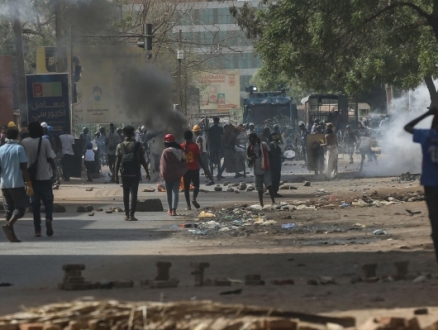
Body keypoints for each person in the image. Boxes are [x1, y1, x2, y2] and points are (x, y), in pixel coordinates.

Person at [404, 107, 438, 264]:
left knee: (434, 220)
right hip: (431, 183)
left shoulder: (426, 136)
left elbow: (407, 127)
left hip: (430, 184)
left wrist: (427, 113)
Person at [22, 122, 57, 237]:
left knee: (35, 205)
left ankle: (37, 230)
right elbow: (49, 158)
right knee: (48, 201)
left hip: (31, 179)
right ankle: (48, 219)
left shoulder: (24, 142)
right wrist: (55, 171)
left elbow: (22, 161)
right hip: (45, 177)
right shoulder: (45, 141)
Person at [0, 127, 32, 242]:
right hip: (16, 183)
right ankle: (9, 225)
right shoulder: (19, 148)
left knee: (9, 209)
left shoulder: (1, 149)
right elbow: (23, 167)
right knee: (20, 208)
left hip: (4, 183)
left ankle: (11, 235)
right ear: (17, 136)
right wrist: (28, 182)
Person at [114, 126, 150, 221]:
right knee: (134, 194)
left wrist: (115, 175)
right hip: (135, 173)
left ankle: (126, 214)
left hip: (124, 174)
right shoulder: (138, 145)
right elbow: (143, 160)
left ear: (124, 134)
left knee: (125, 194)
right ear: (133, 133)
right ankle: (132, 215)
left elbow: (117, 162)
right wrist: (147, 172)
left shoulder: (120, 146)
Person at [181, 130, 213, 210]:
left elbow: (180, 159)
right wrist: (205, 168)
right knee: (196, 185)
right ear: (192, 137)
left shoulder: (181, 146)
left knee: (186, 187)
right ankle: (194, 198)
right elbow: (199, 158)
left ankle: (188, 205)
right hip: (194, 169)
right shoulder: (195, 146)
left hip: (185, 170)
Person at [160, 134, 187, 216]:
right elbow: (184, 161)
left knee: (168, 192)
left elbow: (162, 164)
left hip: (167, 175)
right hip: (177, 174)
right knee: (175, 192)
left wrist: (162, 173)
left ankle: (170, 210)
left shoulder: (165, 151)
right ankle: (174, 210)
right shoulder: (180, 150)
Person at [247, 132, 276, 207]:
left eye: (252, 140)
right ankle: (261, 204)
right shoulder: (250, 147)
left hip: (265, 167)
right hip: (257, 170)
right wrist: (250, 159)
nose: (251, 142)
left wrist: (272, 164)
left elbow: (270, 153)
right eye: (250, 141)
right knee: (259, 188)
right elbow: (248, 157)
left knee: (269, 185)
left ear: (256, 139)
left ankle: (273, 201)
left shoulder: (263, 144)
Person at [269, 133, 283, 197]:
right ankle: (273, 192)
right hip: (273, 165)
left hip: (277, 164)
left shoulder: (276, 146)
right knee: (274, 178)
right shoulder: (271, 146)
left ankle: (275, 191)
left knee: (277, 178)